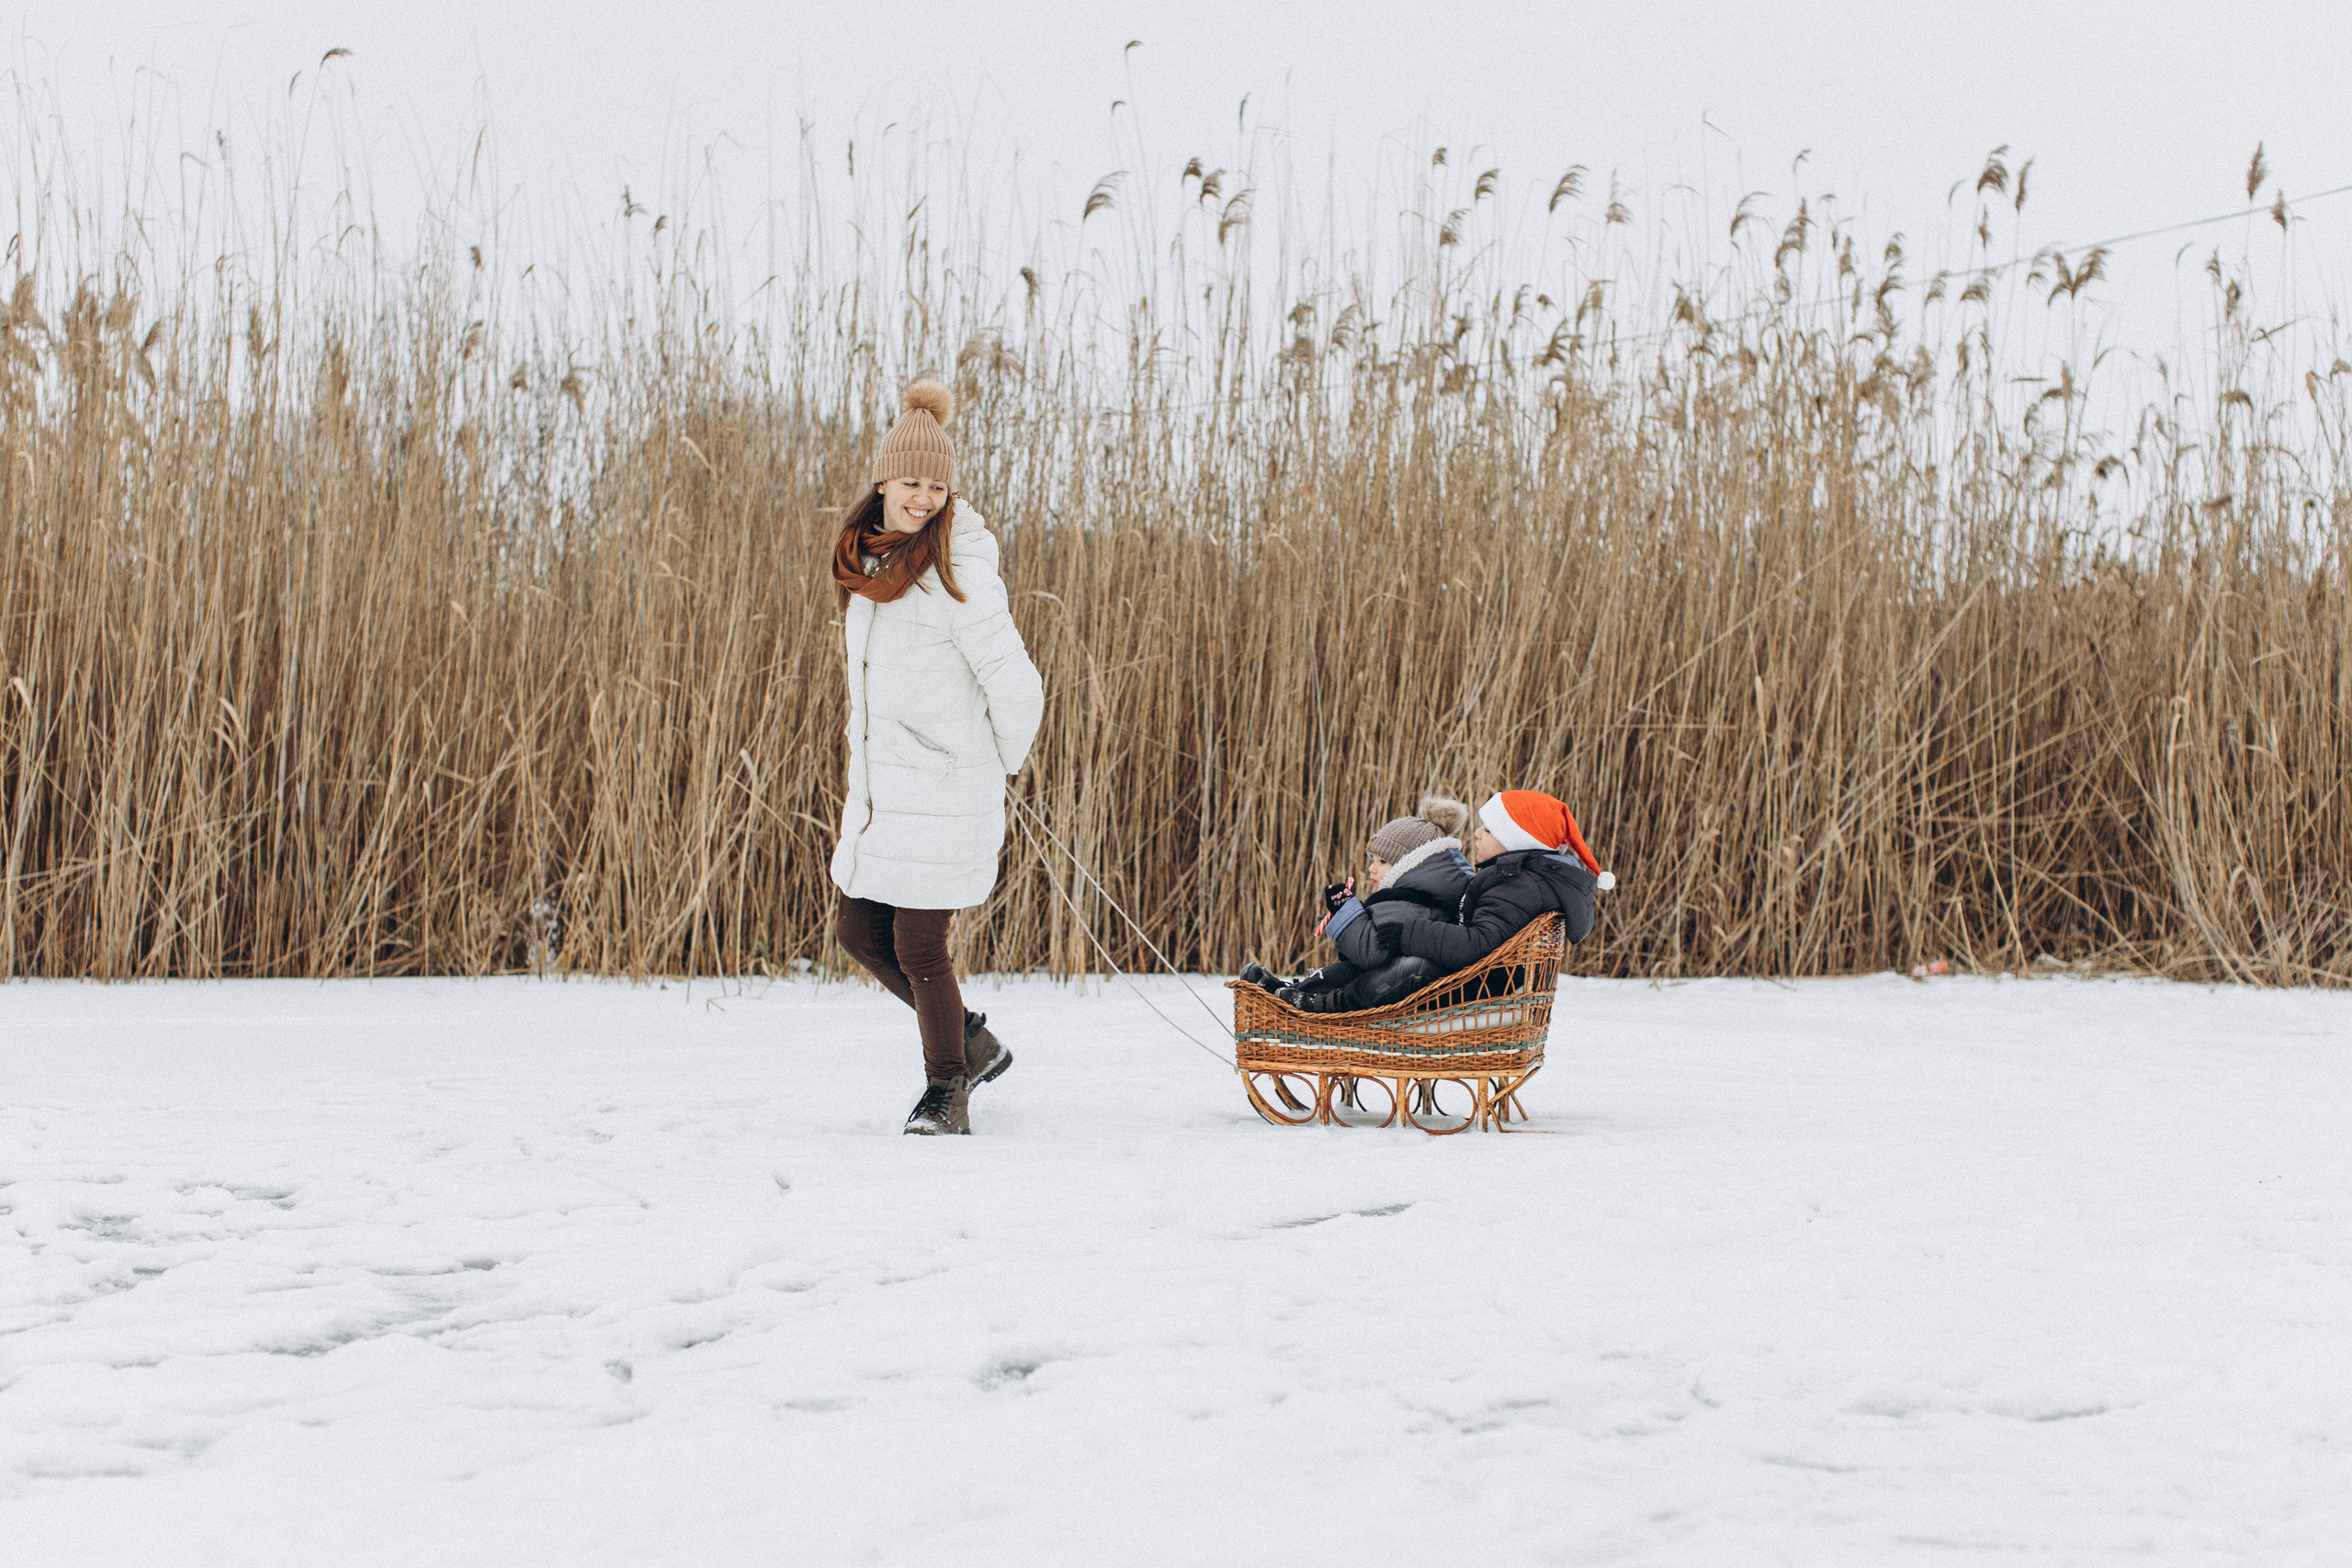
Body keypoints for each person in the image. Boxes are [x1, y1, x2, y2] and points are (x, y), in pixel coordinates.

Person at [828, 380, 1045, 1136]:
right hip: (888, 792)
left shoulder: (960, 575)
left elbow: (1019, 686)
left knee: (920, 942)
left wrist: (996, 763)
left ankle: (947, 1088)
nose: (922, 497)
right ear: (883, 482)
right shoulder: (868, 572)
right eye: (910, 481)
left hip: (948, 787)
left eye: (936, 485)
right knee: (858, 929)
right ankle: (972, 1041)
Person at [1239, 796, 1475, 1013]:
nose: (1372, 868)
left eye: (1383, 861)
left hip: (1409, 985)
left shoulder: (1415, 900)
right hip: (1392, 976)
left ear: (1411, 866)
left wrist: (1346, 912)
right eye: (1373, 860)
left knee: (1364, 972)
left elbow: (1372, 952)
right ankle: (1296, 990)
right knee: (1347, 970)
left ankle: (1309, 1000)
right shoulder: (1416, 896)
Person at [1377, 790, 1614, 976]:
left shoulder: (1518, 884)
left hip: (1483, 986)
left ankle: (1343, 1013)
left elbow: (1480, 943)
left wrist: (1409, 934)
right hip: (1477, 977)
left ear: (1516, 842)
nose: (1477, 833)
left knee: (1404, 971)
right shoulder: (1517, 879)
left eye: (1489, 830)